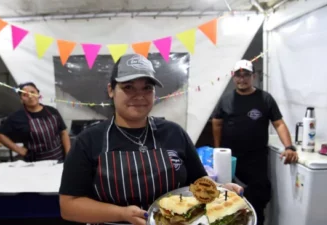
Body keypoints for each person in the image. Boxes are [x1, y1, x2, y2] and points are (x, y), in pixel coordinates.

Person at [59, 53, 243, 225]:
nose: (139, 96)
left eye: (147, 88)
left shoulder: (174, 133)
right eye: (128, 87)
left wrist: (219, 190)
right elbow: (69, 206)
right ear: (111, 90)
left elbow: (197, 181)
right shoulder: (89, 140)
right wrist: (121, 214)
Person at [212, 59, 298, 225]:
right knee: (228, 199)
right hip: (230, 160)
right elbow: (217, 121)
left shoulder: (265, 99)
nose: (242, 79)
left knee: (257, 199)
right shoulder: (227, 99)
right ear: (233, 77)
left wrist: (289, 147)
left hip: (256, 159)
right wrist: (218, 148)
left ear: (254, 76)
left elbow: (278, 123)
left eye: (246, 75)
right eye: (238, 75)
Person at [0, 82, 71, 162]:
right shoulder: (17, 117)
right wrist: (19, 150)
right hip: (35, 162)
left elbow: (63, 133)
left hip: (58, 158)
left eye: (32, 92)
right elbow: (0, 135)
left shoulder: (52, 111)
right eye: (25, 95)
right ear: (21, 99)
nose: (30, 97)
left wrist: (69, 156)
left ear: (38, 94)